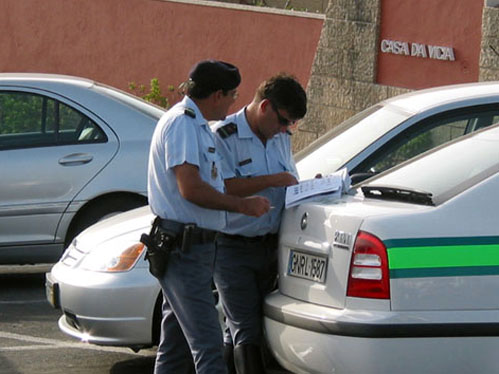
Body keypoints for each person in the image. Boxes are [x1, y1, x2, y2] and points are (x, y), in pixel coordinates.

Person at [147, 60, 271, 374]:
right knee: (210, 346)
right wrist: (241, 206)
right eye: (232, 95)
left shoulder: (196, 124)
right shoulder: (184, 123)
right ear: (216, 95)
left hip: (193, 248)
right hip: (183, 248)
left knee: (175, 351)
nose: (233, 103)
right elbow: (190, 188)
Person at [212, 73, 307, 373]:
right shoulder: (223, 135)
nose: (284, 129)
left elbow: (288, 181)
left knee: (250, 330)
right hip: (233, 248)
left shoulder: (281, 138)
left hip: (271, 246)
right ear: (265, 107)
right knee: (245, 330)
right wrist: (275, 180)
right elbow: (221, 187)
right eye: (283, 121)